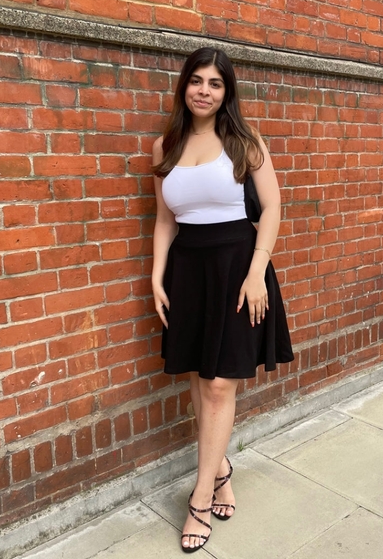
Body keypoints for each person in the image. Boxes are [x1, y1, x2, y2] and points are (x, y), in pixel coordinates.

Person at [151, 47, 294, 553]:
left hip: (237, 267)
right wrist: (157, 276)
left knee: (218, 385)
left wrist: (257, 273)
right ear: (184, 86)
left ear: (226, 91)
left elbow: (272, 206)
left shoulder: (244, 141)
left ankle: (200, 497)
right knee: (198, 376)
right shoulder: (165, 145)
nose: (204, 91)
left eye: (215, 83)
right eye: (197, 80)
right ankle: (221, 469)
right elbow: (165, 218)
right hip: (188, 270)